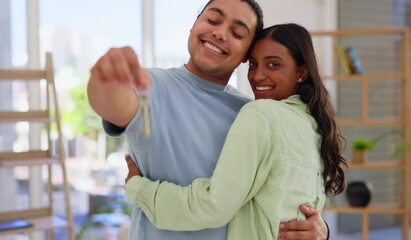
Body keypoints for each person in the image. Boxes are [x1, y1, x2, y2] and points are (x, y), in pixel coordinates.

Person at [87, 0, 330, 239]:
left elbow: (284, 195)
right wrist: (104, 78)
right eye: (212, 20)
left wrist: (320, 229)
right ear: (194, 25)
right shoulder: (151, 87)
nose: (220, 33)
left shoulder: (254, 112)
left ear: (247, 54)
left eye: (237, 32)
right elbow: (113, 103)